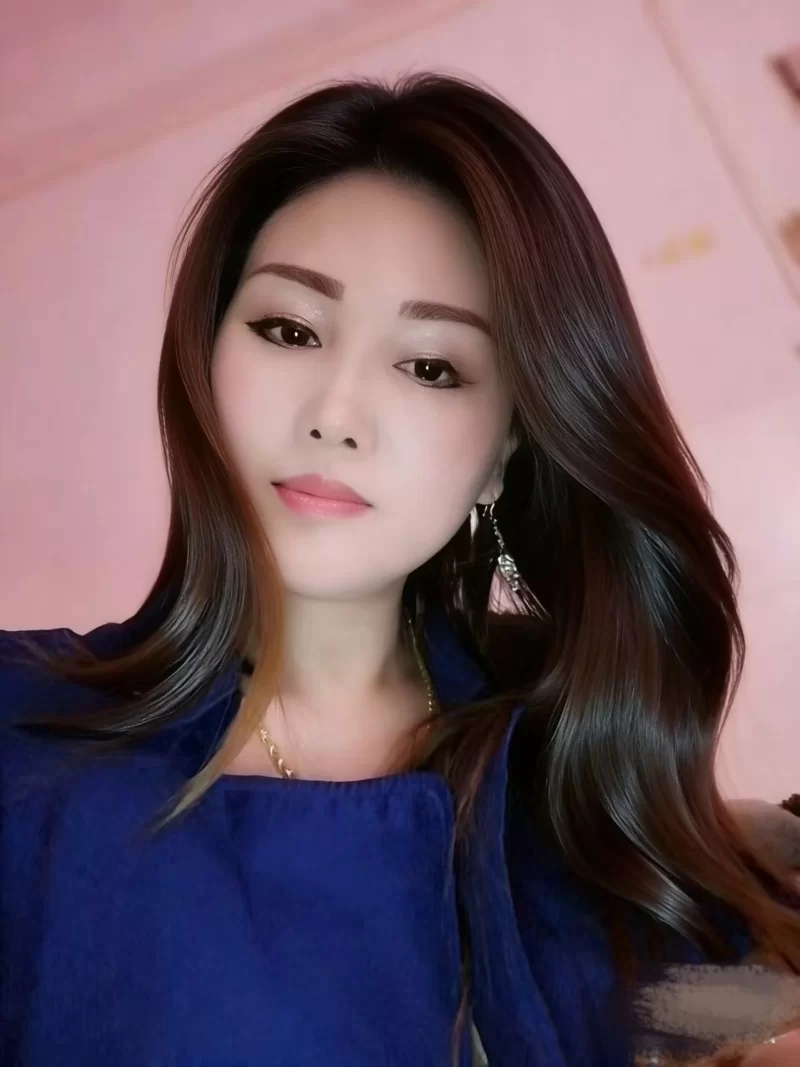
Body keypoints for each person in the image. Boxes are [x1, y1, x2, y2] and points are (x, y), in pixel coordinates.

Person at [1, 71, 798, 1067]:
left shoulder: (571, 768)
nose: (336, 414)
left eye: (429, 366)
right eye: (290, 330)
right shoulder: (25, 737)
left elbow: (688, 1003)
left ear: (505, 451)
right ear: (203, 357)